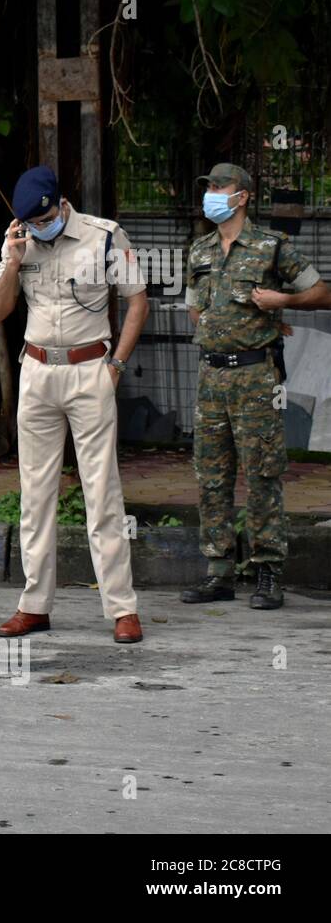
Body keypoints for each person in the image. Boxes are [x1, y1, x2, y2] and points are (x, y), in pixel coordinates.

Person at [0, 165, 149, 644]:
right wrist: (13, 260)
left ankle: (122, 607)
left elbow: (137, 301)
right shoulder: (18, 240)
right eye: (31, 224)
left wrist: (115, 365)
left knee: (102, 491)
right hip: (36, 372)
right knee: (35, 494)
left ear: (62, 204)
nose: (40, 228)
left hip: (89, 370)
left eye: (45, 219)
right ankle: (34, 605)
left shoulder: (103, 236)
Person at [181, 163, 330, 610]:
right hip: (211, 377)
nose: (211, 194)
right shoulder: (200, 249)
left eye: (219, 187)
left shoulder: (270, 247)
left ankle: (268, 574)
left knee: (262, 474)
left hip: (255, 376)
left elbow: (322, 292)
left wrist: (282, 301)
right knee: (211, 476)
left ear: (242, 195)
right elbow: (194, 310)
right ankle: (219, 572)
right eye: (207, 187)